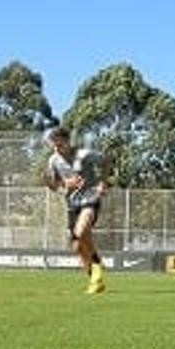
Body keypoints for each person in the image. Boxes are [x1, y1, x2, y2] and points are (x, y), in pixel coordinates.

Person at [42, 125, 108, 294]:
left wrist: (102, 182)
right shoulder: (53, 160)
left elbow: (106, 161)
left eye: (60, 144)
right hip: (72, 204)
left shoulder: (84, 155)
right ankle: (95, 279)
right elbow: (51, 183)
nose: (57, 148)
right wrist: (64, 184)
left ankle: (97, 264)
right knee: (77, 247)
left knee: (81, 231)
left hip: (90, 199)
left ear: (67, 141)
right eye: (54, 145)